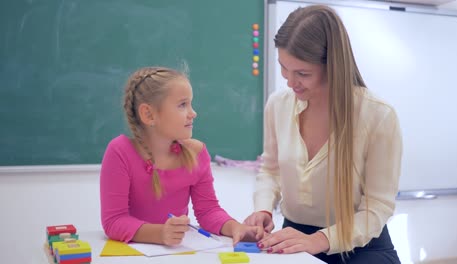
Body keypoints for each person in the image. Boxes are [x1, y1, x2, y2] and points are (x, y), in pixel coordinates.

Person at [243, 5, 402, 264]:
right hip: (294, 237)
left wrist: (319, 240)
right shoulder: (278, 104)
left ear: (333, 67)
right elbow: (270, 170)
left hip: (362, 246)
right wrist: (262, 208)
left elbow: (378, 208)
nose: (290, 82)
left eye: (302, 74)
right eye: (284, 68)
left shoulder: (378, 116)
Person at [100, 66, 263, 246]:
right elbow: (114, 221)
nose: (193, 113)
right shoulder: (120, 152)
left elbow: (208, 211)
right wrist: (160, 234)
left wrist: (235, 228)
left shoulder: (197, 153)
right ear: (148, 114)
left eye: (190, 104)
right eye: (182, 105)